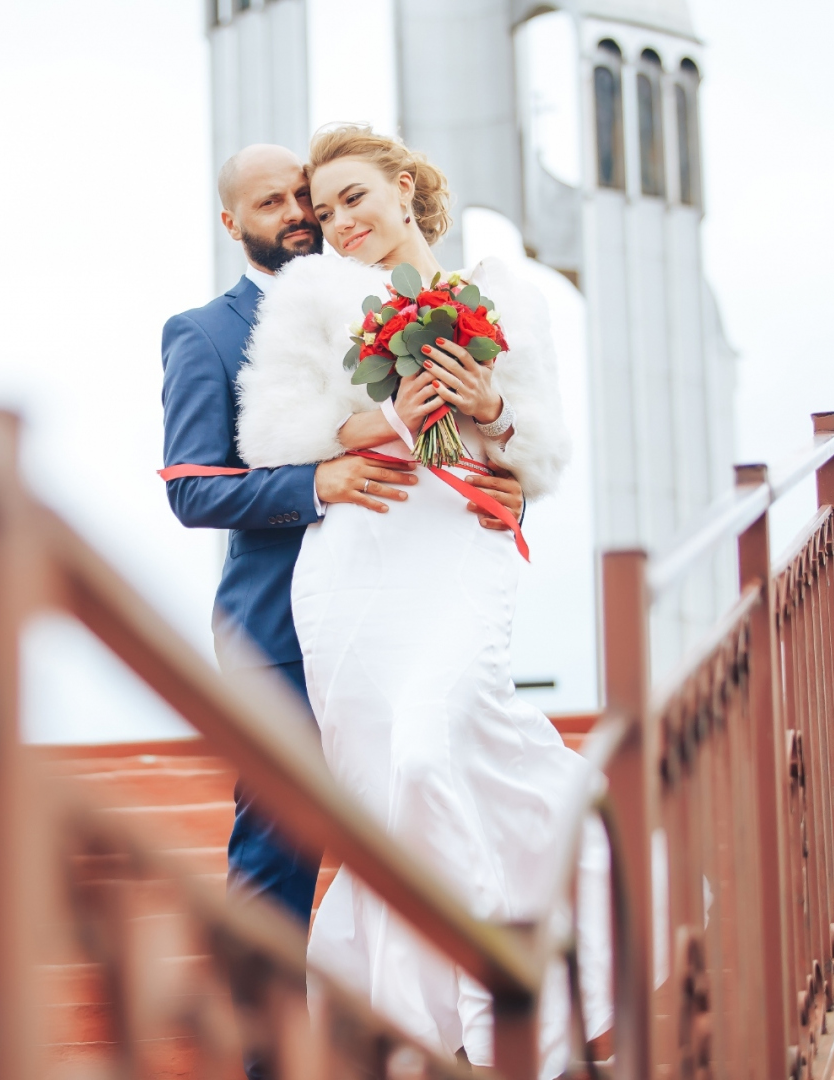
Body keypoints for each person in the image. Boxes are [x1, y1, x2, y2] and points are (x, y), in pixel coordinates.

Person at [233, 124, 612, 1076]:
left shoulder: (505, 292)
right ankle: (416, 1026)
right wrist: (391, 418)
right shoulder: (309, 298)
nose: (341, 224)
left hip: (459, 544)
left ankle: (507, 995)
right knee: (386, 788)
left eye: (356, 197)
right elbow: (275, 435)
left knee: (432, 740)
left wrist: (487, 408)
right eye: (324, 212)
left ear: (406, 188)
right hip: (356, 564)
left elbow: (544, 453)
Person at [159, 144, 530, 942]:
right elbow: (192, 490)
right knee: (284, 839)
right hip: (277, 627)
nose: (300, 218)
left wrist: (510, 481)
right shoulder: (204, 334)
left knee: (424, 806)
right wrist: (314, 483)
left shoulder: (385, 298)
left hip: (406, 602)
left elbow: (452, 437)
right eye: (272, 204)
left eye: (309, 200)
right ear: (231, 222)